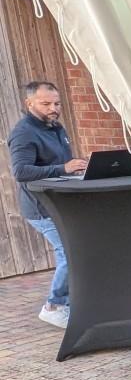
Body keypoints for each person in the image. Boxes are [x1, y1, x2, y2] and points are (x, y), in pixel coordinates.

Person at [7, 81, 87, 328]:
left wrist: (80, 171)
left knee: (78, 251)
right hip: (42, 208)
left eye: (57, 103)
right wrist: (64, 168)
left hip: (62, 203)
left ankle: (75, 303)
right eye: (46, 104)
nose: (54, 108)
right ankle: (53, 306)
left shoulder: (55, 127)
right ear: (29, 103)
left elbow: (60, 166)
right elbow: (21, 171)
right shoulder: (24, 133)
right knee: (69, 253)